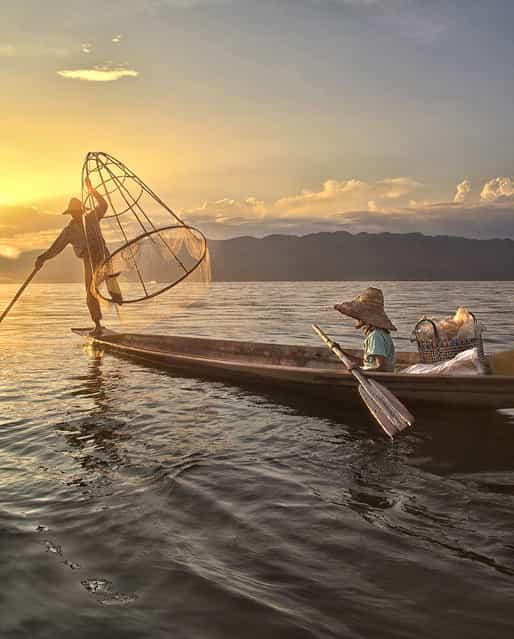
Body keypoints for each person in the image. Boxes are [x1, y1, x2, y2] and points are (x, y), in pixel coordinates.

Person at [35, 177, 119, 336]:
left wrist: (91, 190)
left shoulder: (92, 218)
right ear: (72, 214)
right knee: (91, 293)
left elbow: (104, 205)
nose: (76, 215)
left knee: (109, 280)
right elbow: (56, 248)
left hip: (102, 255)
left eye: (77, 212)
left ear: (81, 211)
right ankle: (98, 324)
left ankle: (115, 297)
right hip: (90, 260)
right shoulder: (69, 231)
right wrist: (42, 258)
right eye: (74, 213)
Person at [334, 287, 396, 372]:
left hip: (378, 378)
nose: (356, 318)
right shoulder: (378, 334)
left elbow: (382, 368)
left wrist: (361, 371)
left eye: (358, 315)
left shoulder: (376, 336)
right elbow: (366, 363)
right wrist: (341, 351)